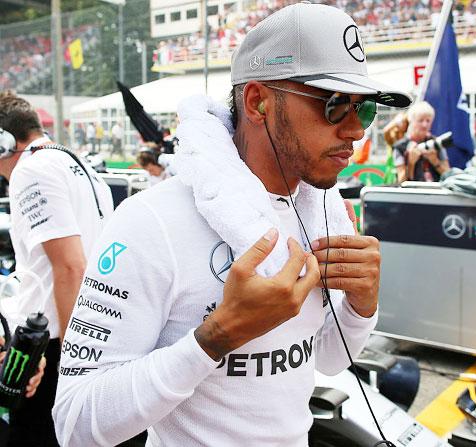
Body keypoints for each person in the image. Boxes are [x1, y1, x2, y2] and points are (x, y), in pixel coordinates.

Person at [53, 3, 411, 446]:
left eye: (366, 109)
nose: (357, 130)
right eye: (336, 106)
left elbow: (328, 361)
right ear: (259, 101)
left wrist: (361, 306)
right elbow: (74, 422)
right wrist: (218, 336)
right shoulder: (152, 222)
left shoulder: (320, 210)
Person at [0, 90, 114, 445]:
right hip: (91, 333)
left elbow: (70, 268)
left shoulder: (31, 171)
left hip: (52, 345)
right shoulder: (78, 165)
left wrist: (72, 364)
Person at [393, 101, 450, 182]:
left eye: (428, 121)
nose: (425, 125)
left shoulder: (436, 142)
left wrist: (435, 161)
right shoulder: (400, 147)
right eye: (420, 120)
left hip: (436, 191)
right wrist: (411, 163)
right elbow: (401, 182)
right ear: (411, 121)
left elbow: (449, 176)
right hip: (414, 193)